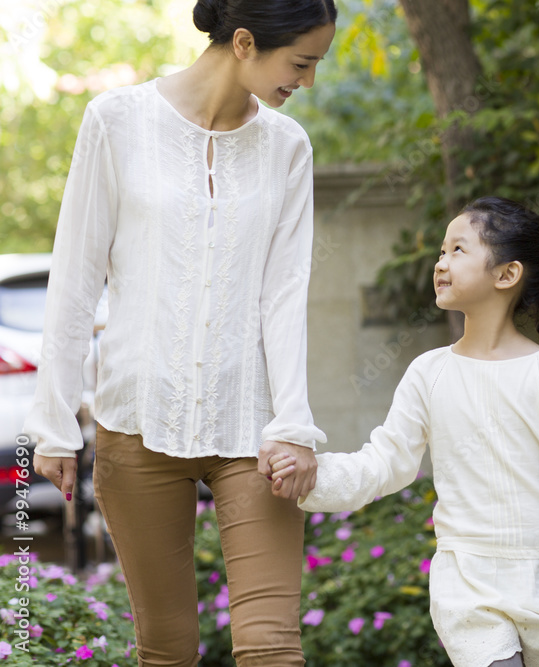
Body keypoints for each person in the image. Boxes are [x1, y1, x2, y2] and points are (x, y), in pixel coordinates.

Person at [25, 1, 337, 664]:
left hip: (253, 426)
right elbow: (77, 277)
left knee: (272, 645)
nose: (306, 82)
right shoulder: (118, 120)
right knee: (166, 648)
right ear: (246, 42)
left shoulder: (288, 146)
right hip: (136, 418)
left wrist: (293, 422)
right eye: (301, 63)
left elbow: (284, 294)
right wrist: (52, 419)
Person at [270, 196, 539, 667]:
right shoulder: (428, 371)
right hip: (466, 581)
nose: (440, 263)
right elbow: (387, 462)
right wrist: (313, 477)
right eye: (440, 251)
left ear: (506, 274)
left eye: (457, 250)